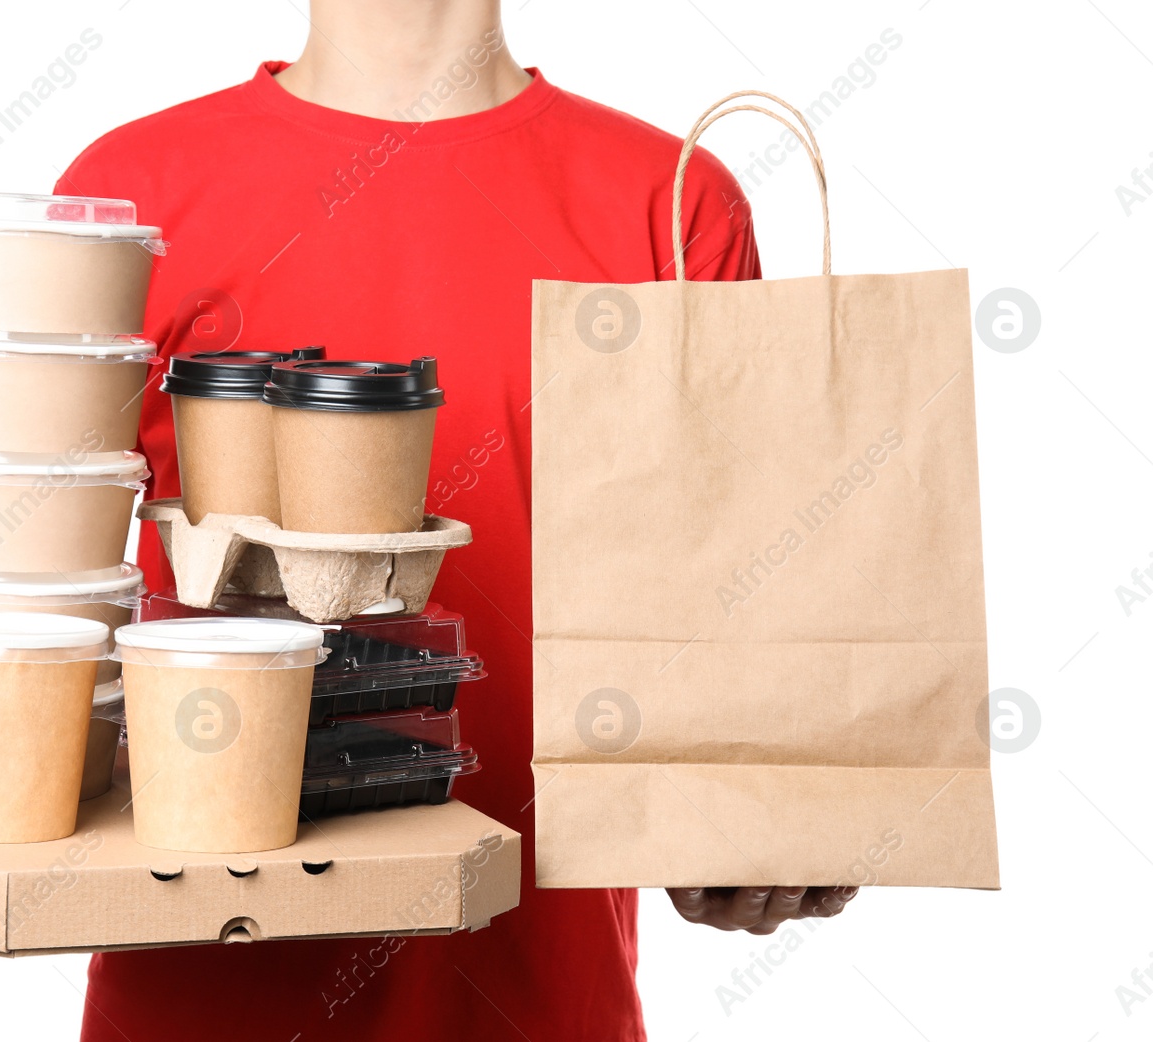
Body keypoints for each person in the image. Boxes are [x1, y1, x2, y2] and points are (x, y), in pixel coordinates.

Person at [56, 2, 857, 1038]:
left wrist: (747, 819)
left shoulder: (667, 207)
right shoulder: (134, 196)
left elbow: (735, 607)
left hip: (536, 986)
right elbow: (34, 623)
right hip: (207, 991)